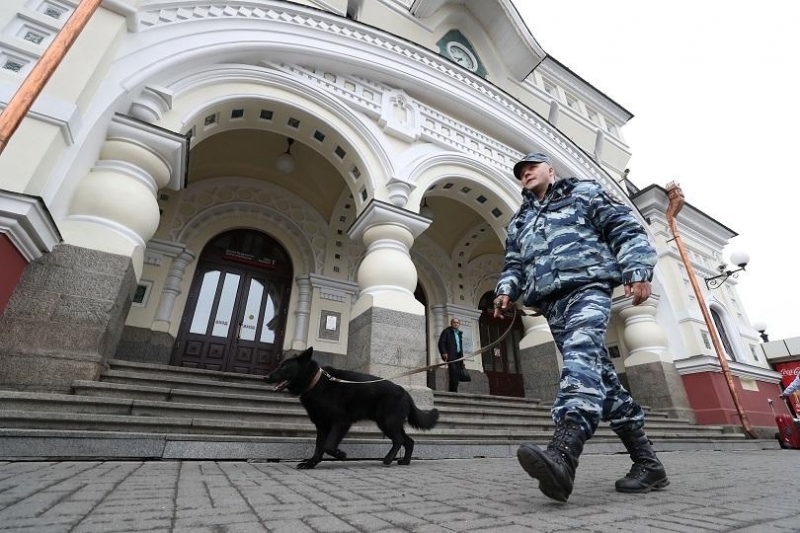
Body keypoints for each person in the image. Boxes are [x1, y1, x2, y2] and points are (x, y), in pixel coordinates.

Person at [493, 152, 669, 503]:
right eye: (521, 171)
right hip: (551, 305)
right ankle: (648, 464)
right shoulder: (520, 220)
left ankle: (564, 452)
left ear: (550, 169)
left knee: (579, 358)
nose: (526, 173)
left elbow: (624, 228)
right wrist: (506, 290)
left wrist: (637, 268)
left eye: (532, 167)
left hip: (587, 288)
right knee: (603, 381)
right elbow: (514, 262)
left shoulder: (584, 192)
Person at [438, 318, 464, 393]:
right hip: (451, 355)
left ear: (459, 324)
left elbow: (459, 345)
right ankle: (453, 391)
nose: (456, 324)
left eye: (457, 322)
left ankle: (453, 390)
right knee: (454, 372)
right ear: (451, 323)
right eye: (454, 322)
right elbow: (441, 342)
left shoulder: (459, 333)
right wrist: (444, 352)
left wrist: (462, 355)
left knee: (457, 373)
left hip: (458, 356)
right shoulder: (447, 331)